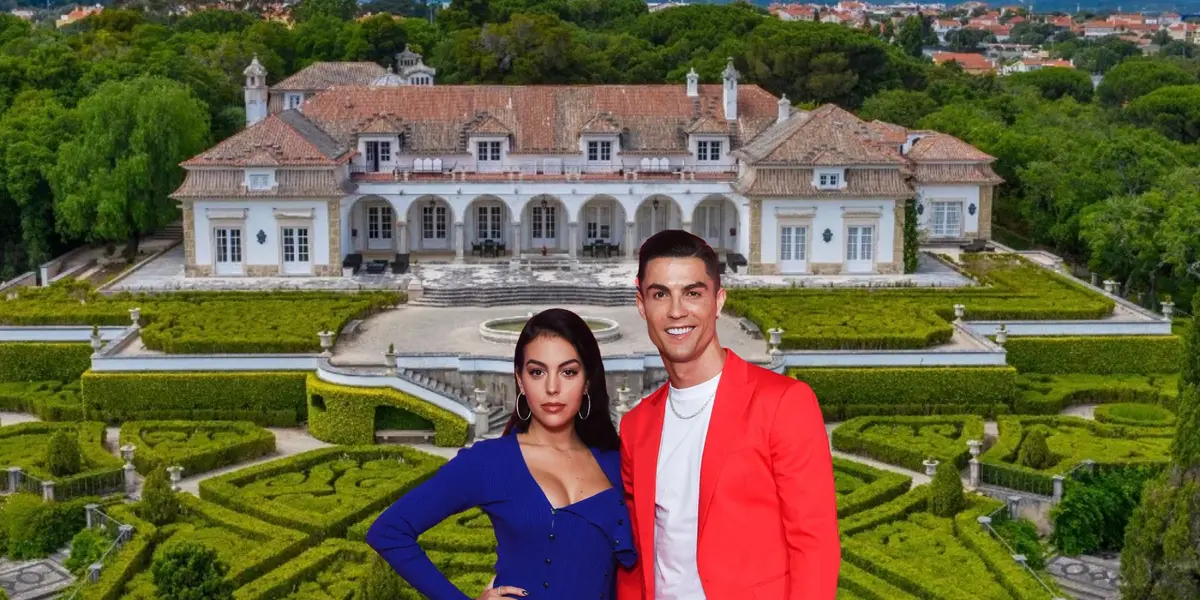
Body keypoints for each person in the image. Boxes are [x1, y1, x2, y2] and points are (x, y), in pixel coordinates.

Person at [617, 230, 840, 600]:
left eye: (692, 293)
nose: (676, 311)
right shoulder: (636, 425)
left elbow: (814, 545)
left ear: (718, 301)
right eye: (660, 294)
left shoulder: (784, 402)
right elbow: (635, 555)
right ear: (641, 305)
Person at [367, 308, 635, 600]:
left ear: (587, 381)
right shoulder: (490, 462)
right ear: (520, 380)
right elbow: (389, 531)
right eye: (537, 372)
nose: (552, 388)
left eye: (568, 372)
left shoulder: (616, 460)